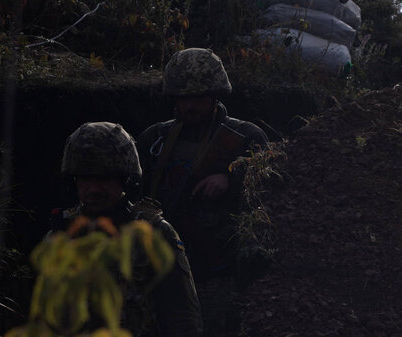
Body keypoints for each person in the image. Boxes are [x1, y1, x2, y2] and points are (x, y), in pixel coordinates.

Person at [50, 121, 203, 337]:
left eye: (104, 178)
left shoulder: (155, 234)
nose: (93, 189)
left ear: (124, 179)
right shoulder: (62, 233)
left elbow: (183, 318)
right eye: (85, 178)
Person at [137, 48, 269, 281]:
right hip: (160, 260)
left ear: (214, 95)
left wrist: (230, 177)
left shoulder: (244, 136)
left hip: (218, 264)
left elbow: (269, 187)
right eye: (183, 98)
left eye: (198, 97)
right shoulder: (155, 139)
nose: (190, 106)